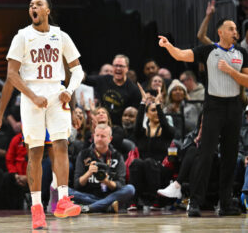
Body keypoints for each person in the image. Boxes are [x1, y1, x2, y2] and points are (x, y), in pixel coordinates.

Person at [0, 0, 84, 229]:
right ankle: (36, 208)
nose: (33, 7)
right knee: (35, 152)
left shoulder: (61, 36)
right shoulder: (22, 36)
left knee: (61, 144)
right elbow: (12, 75)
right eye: (30, 5)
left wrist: (69, 91)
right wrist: (9, 110)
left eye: (38, 4)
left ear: (47, 10)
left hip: (56, 93)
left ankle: (63, 199)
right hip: (31, 95)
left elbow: (78, 70)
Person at [158, 17, 248, 217]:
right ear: (221, 32)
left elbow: (247, 80)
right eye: (231, 29)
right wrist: (169, 46)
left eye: (236, 29)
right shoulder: (208, 51)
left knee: (230, 157)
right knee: (205, 155)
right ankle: (195, 203)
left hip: (234, 107)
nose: (236, 32)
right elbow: (181, 55)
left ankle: (225, 204)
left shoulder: (242, 53)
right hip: (213, 107)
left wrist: (231, 72)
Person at [69, 124, 135, 213]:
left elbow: (121, 184)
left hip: (111, 195)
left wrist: (106, 182)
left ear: (110, 139)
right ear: (93, 137)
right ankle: (106, 207)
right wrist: (88, 173)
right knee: (64, 191)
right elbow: (77, 184)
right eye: (97, 136)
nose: (99, 139)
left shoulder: (117, 156)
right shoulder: (83, 154)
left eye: (103, 136)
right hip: (89, 195)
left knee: (130, 189)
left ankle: (90, 207)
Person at [84, 54, 141, 126]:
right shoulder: (104, 80)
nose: (118, 68)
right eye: (115, 65)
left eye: (121, 66)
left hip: (120, 128)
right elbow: (86, 79)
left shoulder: (133, 90)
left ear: (127, 68)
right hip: (102, 125)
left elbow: (136, 114)